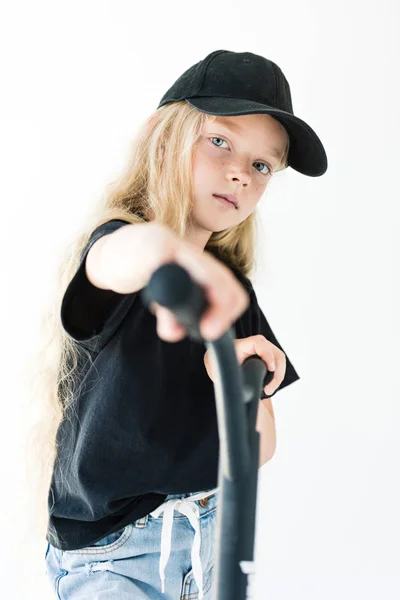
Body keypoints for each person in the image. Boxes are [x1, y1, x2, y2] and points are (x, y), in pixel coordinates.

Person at [37, 49, 328, 599]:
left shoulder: (232, 293)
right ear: (162, 135)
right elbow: (123, 256)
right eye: (220, 141)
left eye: (262, 166)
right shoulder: (118, 250)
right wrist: (172, 259)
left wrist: (239, 392)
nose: (241, 172)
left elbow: (260, 446)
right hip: (115, 557)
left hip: (210, 539)